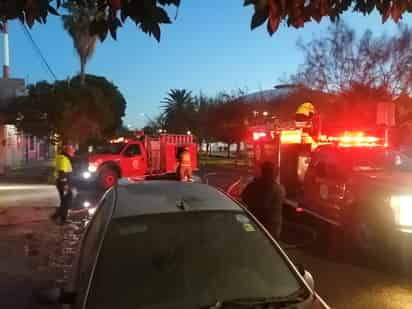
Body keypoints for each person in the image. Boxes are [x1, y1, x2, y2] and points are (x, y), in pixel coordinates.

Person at [241, 161, 285, 240]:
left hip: (255, 225)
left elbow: (244, 198)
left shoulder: (253, 185)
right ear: (275, 174)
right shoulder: (279, 189)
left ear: (263, 171)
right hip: (272, 229)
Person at [51, 143, 76, 224]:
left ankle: (57, 216)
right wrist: (65, 185)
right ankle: (62, 219)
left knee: (64, 201)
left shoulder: (62, 157)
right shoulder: (63, 158)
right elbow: (62, 172)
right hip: (63, 183)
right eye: (72, 151)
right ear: (68, 151)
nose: (73, 152)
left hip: (62, 182)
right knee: (67, 200)